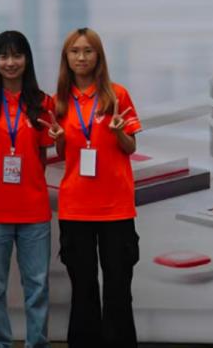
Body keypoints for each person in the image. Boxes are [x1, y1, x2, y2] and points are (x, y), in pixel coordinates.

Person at [50, 27, 142, 348]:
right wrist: (59, 140)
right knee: (83, 289)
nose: (81, 57)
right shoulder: (59, 101)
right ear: (66, 58)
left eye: (88, 51)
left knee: (118, 288)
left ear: (99, 56)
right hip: (75, 208)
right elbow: (65, 154)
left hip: (116, 208)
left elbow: (130, 147)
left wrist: (118, 132)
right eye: (75, 51)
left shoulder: (117, 95)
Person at [0, 30, 55, 348]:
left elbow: (43, 155)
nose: (10, 63)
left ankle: (37, 343)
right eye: (3, 56)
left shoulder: (43, 103)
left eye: (17, 55)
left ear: (27, 60)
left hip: (34, 211)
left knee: (37, 287)